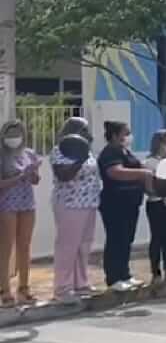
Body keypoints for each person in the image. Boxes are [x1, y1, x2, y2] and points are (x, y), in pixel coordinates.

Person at [50, 117, 101, 304]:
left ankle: (81, 283)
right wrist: (79, 158)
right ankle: (62, 288)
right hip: (70, 204)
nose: (87, 133)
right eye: (83, 129)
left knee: (84, 245)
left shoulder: (87, 151)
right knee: (67, 246)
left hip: (89, 203)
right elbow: (63, 176)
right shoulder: (60, 150)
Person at [97, 121, 150, 292]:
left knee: (127, 239)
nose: (129, 137)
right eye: (125, 133)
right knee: (116, 239)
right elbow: (115, 172)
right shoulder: (110, 152)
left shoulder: (125, 151)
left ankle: (125, 274)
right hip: (115, 202)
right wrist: (142, 173)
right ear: (114, 135)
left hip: (130, 202)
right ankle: (114, 278)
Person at [0, 121, 39, 305]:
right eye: (10, 133)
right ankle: (4, 289)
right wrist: (19, 177)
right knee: (6, 247)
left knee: (25, 245)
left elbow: (35, 181)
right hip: (7, 204)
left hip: (27, 203)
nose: (14, 137)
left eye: (17, 133)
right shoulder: (1, 155)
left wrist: (33, 173)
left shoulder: (29, 153)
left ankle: (24, 287)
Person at [142, 130, 166, 284]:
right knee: (157, 238)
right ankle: (156, 273)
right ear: (158, 142)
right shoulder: (150, 162)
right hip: (156, 203)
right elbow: (147, 187)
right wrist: (160, 191)